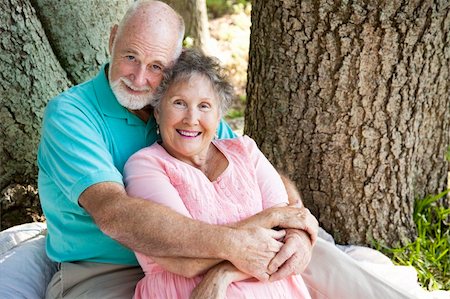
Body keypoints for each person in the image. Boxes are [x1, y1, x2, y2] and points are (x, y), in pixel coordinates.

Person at [38, 1, 317, 298]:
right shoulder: (70, 114)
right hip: (105, 269)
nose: (140, 77)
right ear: (112, 39)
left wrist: (298, 228)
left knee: (348, 280)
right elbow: (114, 213)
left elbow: (245, 161)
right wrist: (236, 244)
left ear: (176, 62)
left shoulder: (178, 107)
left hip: (210, 256)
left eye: (156, 66)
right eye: (130, 57)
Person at [124, 48, 312, 299]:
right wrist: (272, 216)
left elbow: (285, 236)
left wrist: (224, 273)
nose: (191, 119)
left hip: (273, 287)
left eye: (204, 106)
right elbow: (184, 255)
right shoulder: (145, 167)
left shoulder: (245, 150)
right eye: (179, 103)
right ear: (158, 111)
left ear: (218, 115)